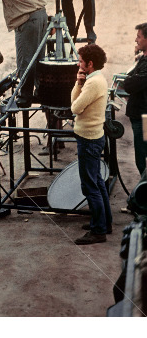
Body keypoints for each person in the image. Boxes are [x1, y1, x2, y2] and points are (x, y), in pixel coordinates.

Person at [71, 44, 112, 244]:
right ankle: (105, 222)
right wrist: (79, 83)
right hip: (94, 136)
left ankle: (98, 231)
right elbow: (76, 102)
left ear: (90, 63)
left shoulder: (93, 83)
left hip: (88, 139)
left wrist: (80, 85)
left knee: (90, 186)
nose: (78, 65)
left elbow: (75, 107)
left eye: (80, 61)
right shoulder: (95, 79)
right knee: (97, 181)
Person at [123, 22, 147, 175]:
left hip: (144, 117)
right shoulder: (142, 59)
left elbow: (130, 84)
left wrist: (129, 79)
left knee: (143, 157)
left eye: (139, 37)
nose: (135, 40)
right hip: (139, 115)